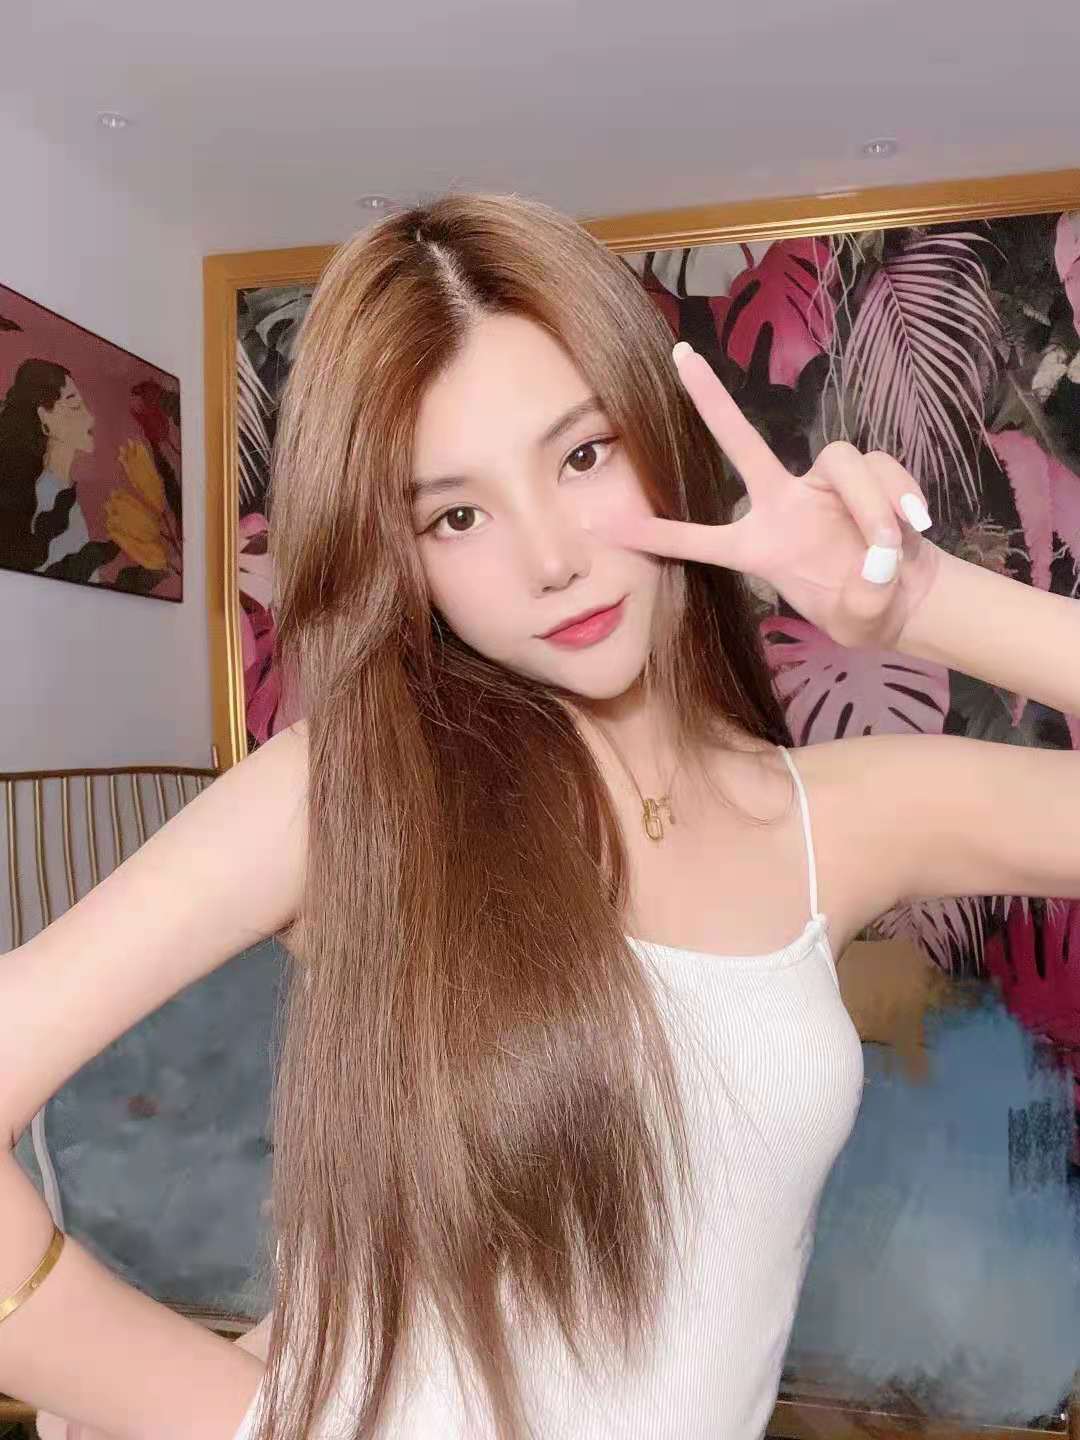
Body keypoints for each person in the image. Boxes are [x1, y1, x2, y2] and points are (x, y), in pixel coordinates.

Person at [5, 192, 1080, 1440]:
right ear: (405, 554)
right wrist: (249, 1420)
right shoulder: (354, 788)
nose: (550, 558)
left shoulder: (840, 817)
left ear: (656, 436)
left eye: (581, 457)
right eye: (457, 514)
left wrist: (918, 604)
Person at [0, 359, 118, 585]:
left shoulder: (61, 492)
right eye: (75, 407)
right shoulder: (43, 497)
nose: (90, 418)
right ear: (45, 417)